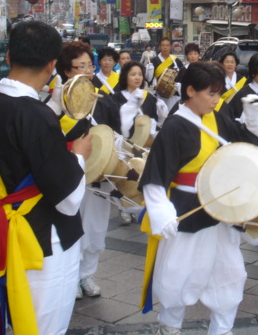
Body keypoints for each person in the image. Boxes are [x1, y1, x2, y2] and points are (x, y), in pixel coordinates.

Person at [139, 62, 258, 335]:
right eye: (210, 94)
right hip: (186, 208)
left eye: (219, 94)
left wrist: (257, 117)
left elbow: (245, 144)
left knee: (230, 272)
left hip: (222, 208)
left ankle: (222, 328)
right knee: (177, 272)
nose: (216, 100)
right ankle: (170, 325)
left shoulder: (219, 118)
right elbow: (155, 178)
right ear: (190, 91)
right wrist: (162, 212)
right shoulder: (175, 127)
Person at [0, 21, 91, 335]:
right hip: (42, 235)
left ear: (9, 56)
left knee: (23, 317)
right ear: (53, 65)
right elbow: (68, 199)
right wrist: (79, 155)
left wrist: (51, 109)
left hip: (13, 223)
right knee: (44, 323)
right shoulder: (34, 115)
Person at [54, 41, 119, 300]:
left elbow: (115, 132)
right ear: (67, 71)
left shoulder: (104, 98)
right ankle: (70, 276)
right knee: (70, 222)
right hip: (68, 172)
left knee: (95, 225)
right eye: (80, 66)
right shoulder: (56, 99)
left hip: (97, 174)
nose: (87, 71)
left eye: (89, 65)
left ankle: (87, 274)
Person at [112, 60, 168, 224]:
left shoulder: (149, 97)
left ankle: (142, 206)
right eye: (133, 74)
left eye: (140, 74)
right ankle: (124, 207)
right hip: (126, 144)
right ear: (125, 77)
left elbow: (155, 122)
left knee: (143, 177)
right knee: (126, 178)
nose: (137, 77)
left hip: (145, 146)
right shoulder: (116, 98)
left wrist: (161, 116)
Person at [149, 37, 186, 111]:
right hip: (160, 94)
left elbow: (182, 76)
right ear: (159, 47)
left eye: (167, 45)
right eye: (163, 45)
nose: (165, 47)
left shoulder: (176, 60)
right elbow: (149, 79)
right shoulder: (153, 61)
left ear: (171, 46)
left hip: (173, 95)